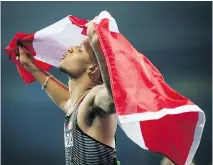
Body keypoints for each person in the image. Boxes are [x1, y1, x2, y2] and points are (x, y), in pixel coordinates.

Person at [16, 19, 118, 165]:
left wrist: (96, 42)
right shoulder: (76, 106)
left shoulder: (95, 98)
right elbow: (65, 100)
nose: (69, 49)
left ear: (93, 68)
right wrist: (30, 66)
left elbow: (114, 99)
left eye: (80, 50)